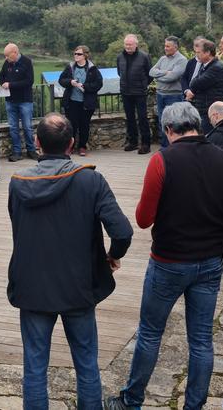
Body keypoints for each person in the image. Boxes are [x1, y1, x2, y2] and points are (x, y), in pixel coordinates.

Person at [107, 102, 223, 410]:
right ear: (198, 124)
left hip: (169, 261)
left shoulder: (162, 161)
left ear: (168, 130)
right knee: (200, 341)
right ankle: (194, 406)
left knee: (150, 334)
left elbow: (144, 219)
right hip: (211, 261)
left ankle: (131, 401)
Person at [9, 113, 133, 409]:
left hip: (32, 285)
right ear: (72, 143)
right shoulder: (91, 180)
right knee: (87, 364)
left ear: (37, 143)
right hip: (78, 284)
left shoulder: (17, 183)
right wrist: (112, 256)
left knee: (35, 368)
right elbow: (123, 231)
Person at [58, 45, 102, 156]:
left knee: (84, 125)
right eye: (75, 54)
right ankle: (70, 147)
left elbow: (98, 84)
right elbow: (61, 80)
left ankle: (82, 147)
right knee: (71, 125)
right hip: (72, 102)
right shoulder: (70, 67)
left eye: (79, 54)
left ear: (85, 55)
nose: (76, 56)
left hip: (86, 103)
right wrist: (70, 82)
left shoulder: (92, 68)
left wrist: (85, 86)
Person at [0, 42, 37, 162]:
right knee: (13, 127)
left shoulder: (26, 62)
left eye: (7, 55)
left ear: (15, 53)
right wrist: (3, 84)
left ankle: (31, 150)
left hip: (25, 100)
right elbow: (0, 76)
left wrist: (11, 84)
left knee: (27, 126)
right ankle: (17, 152)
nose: (6, 58)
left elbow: (29, 81)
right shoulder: (7, 63)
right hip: (11, 101)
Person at [116, 34, 154, 154]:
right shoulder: (120, 57)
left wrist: (142, 85)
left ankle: (145, 144)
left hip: (140, 92)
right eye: (126, 44)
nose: (128, 46)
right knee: (130, 118)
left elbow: (150, 74)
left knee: (142, 118)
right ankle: (133, 142)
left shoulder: (144, 56)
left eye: (130, 44)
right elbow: (119, 72)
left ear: (136, 44)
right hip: (126, 92)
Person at [149, 36, 187, 148]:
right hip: (160, 94)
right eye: (165, 46)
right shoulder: (162, 59)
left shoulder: (182, 60)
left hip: (174, 96)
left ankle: (174, 147)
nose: (165, 48)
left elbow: (173, 77)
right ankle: (164, 147)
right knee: (162, 121)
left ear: (175, 47)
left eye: (168, 46)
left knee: (174, 122)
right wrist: (166, 72)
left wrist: (159, 76)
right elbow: (151, 72)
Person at [183, 39, 223, 133]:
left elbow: (195, 83)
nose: (196, 55)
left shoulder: (215, 67)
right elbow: (195, 82)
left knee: (207, 138)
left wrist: (194, 85)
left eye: (199, 52)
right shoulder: (206, 65)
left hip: (210, 110)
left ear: (207, 53)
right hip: (204, 108)